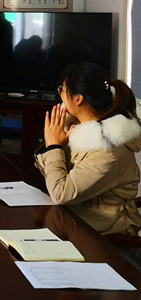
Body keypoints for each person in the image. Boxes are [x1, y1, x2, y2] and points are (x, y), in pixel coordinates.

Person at [35, 62, 141, 236]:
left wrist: (54, 146)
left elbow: (61, 193)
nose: (60, 94)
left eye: (62, 89)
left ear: (78, 98)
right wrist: (58, 145)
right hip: (78, 219)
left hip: (105, 235)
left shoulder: (107, 149)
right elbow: (57, 180)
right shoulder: (81, 129)